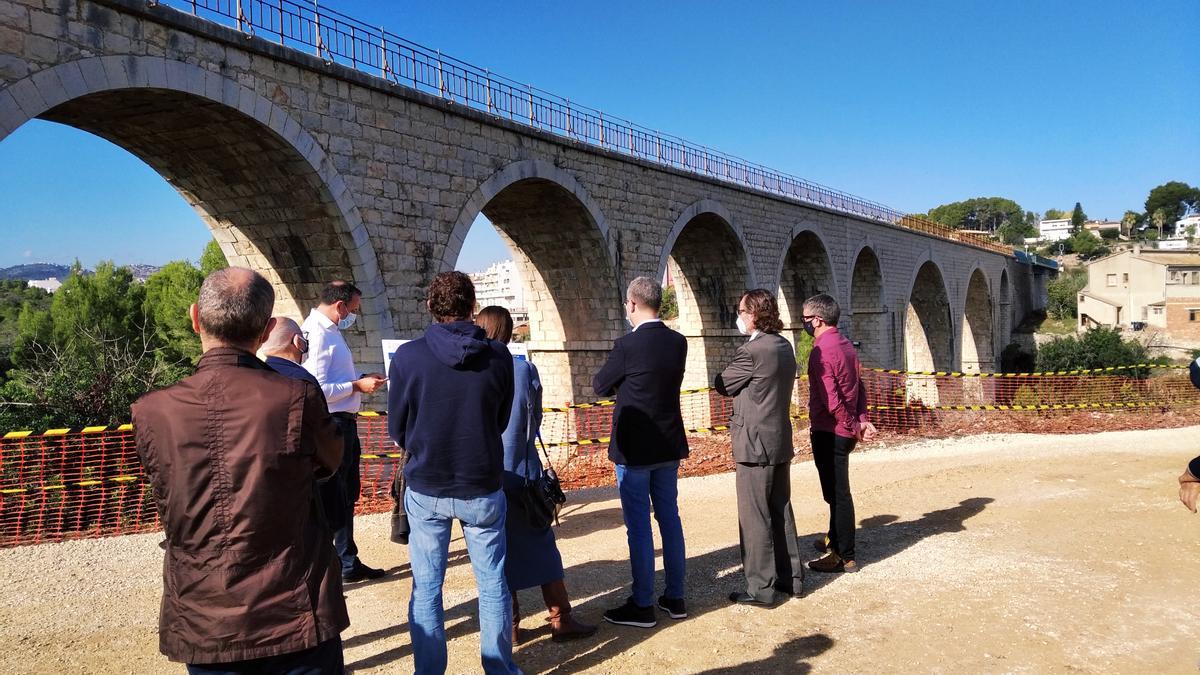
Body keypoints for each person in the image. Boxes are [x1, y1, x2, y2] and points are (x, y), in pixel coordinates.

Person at [131, 268, 348, 673]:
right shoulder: (296, 397)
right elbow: (329, 462)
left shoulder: (151, 411)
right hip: (293, 608)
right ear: (266, 331)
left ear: (195, 317)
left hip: (204, 613)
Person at [387, 272, 521, 675]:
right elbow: (500, 418)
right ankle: (499, 668)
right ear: (472, 307)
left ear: (431, 305)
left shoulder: (408, 357)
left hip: (427, 482)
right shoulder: (499, 357)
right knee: (492, 583)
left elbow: (398, 428)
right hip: (480, 480)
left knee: (427, 586)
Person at [475, 306, 598, 645]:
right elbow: (534, 419)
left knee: (498, 552)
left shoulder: (471, 370)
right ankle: (561, 618)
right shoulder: (521, 370)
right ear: (508, 331)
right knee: (543, 546)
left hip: (486, 475)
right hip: (523, 473)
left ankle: (511, 625)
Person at [593, 276, 689, 628]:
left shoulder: (626, 346)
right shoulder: (678, 342)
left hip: (634, 450)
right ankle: (675, 597)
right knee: (670, 519)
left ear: (632, 304)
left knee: (639, 526)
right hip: (668, 443)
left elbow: (600, 384)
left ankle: (642, 603)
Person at [714, 289, 804, 605]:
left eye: (741, 311)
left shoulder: (751, 352)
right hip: (779, 439)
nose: (738, 316)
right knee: (781, 509)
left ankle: (761, 588)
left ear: (753, 314)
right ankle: (790, 578)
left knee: (754, 517)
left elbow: (724, 384)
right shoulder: (783, 345)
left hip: (753, 445)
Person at [302, 281, 388, 583]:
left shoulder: (329, 331)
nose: (353, 316)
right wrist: (355, 386)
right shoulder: (319, 334)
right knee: (337, 495)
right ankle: (341, 562)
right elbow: (317, 389)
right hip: (334, 423)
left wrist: (360, 378)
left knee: (346, 492)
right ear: (340, 306)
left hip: (344, 422)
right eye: (353, 310)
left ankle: (347, 558)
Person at [803, 293, 877, 574]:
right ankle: (834, 539)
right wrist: (860, 420)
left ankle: (844, 555)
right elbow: (859, 386)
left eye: (806, 318)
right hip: (843, 431)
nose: (804, 323)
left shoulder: (822, 351)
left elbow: (830, 398)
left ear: (817, 319)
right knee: (836, 492)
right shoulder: (846, 345)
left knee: (838, 494)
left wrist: (851, 424)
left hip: (830, 431)